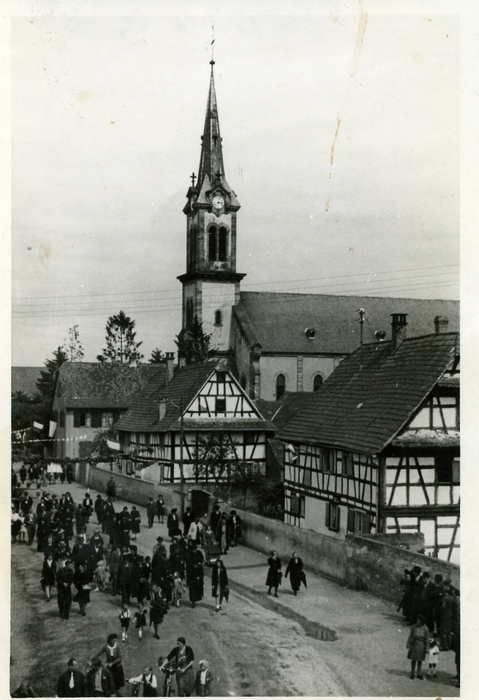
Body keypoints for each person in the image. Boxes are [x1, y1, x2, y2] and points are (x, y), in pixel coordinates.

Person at [406, 614, 430, 680]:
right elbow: (410, 636)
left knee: (420, 660)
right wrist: (408, 643)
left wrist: (427, 647)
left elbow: (427, 639)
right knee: (413, 659)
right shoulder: (414, 627)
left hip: (421, 645)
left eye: (419, 620)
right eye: (417, 620)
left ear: (422, 621)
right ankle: (412, 673)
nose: (417, 621)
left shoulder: (425, 629)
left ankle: (419, 673)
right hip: (414, 644)